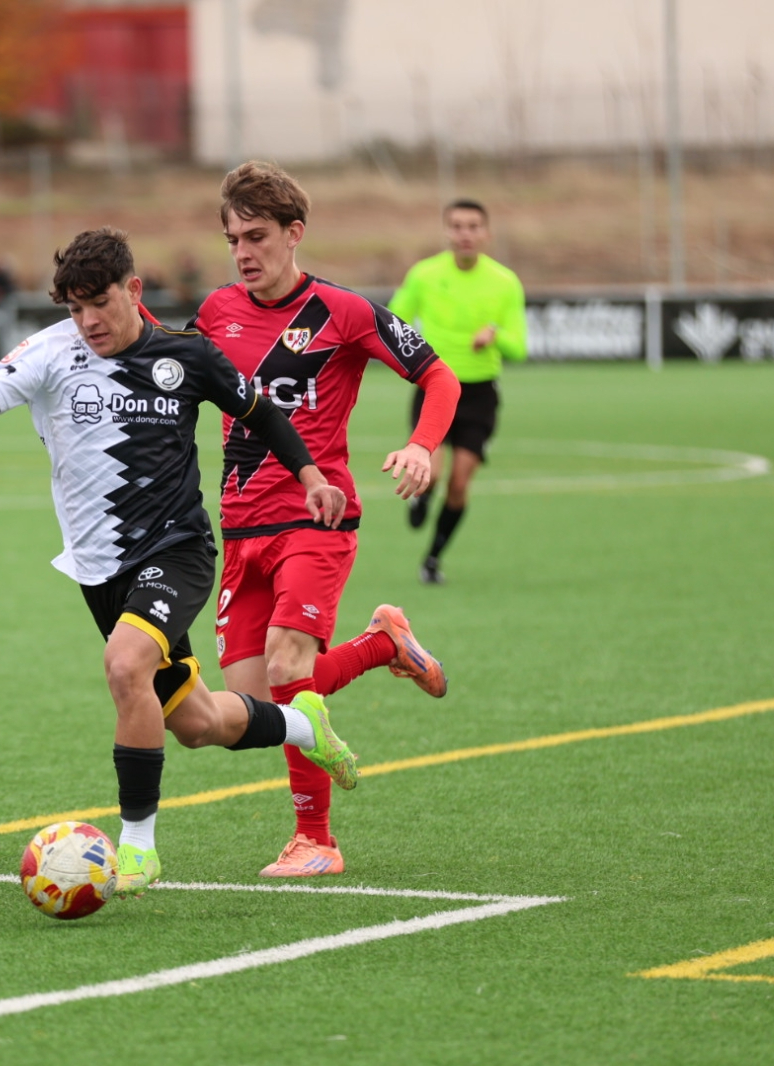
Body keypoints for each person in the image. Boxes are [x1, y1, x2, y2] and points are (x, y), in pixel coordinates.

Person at [0, 227, 359, 896]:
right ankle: (305, 725)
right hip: (100, 570)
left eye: (98, 304)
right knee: (197, 724)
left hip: (178, 550)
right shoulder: (51, 352)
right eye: (73, 308)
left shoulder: (189, 357)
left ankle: (138, 846)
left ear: (134, 291)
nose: (86, 322)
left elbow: (261, 414)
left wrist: (311, 477)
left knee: (124, 665)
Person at [190, 160, 460, 878]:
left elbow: (439, 375)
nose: (244, 253)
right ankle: (382, 645)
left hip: (318, 517)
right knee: (249, 708)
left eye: (257, 236)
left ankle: (316, 841)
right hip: (239, 529)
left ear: (294, 233)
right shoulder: (215, 312)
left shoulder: (344, 312)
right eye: (232, 240)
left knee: (288, 665)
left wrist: (420, 445)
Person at [390, 198, 527, 585]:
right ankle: (421, 495)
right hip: (434, 385)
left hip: (481, 393)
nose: (464, 234)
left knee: (460, 483)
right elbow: (395, 318)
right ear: (446, 232)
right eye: (457, 226)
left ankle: (433, 558)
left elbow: (520, 346)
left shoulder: (505, 282)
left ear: (486, 233)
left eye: (472, 226)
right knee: (430, 474)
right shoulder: (425, 275)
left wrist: (496, 336)